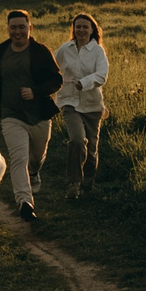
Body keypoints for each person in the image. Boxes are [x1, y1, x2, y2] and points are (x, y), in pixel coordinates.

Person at [0, 8, 64, 221]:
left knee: (37, 157)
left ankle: (34, 172)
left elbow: (56, 80)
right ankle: (25, 202)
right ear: (8, 29)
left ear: (30, 28)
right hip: (11, 114)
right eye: (13, 27)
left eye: (21, 27)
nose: (17, 32)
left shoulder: (41, 51)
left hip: (39, 115)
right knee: (18, 158)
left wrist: (36, 92)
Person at [52, 11, 109, 200]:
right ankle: (73, 183)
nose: (81, 30)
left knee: (91, 150)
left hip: (92, 105)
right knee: (77, 140)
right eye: (78, 27)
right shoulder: (65, 49)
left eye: (85, 27)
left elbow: (102, 75)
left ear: (92, 30)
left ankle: (88, 184)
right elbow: (51, 66)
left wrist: (84, 83)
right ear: (73, 30)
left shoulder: (97, 51)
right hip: (69, 102)